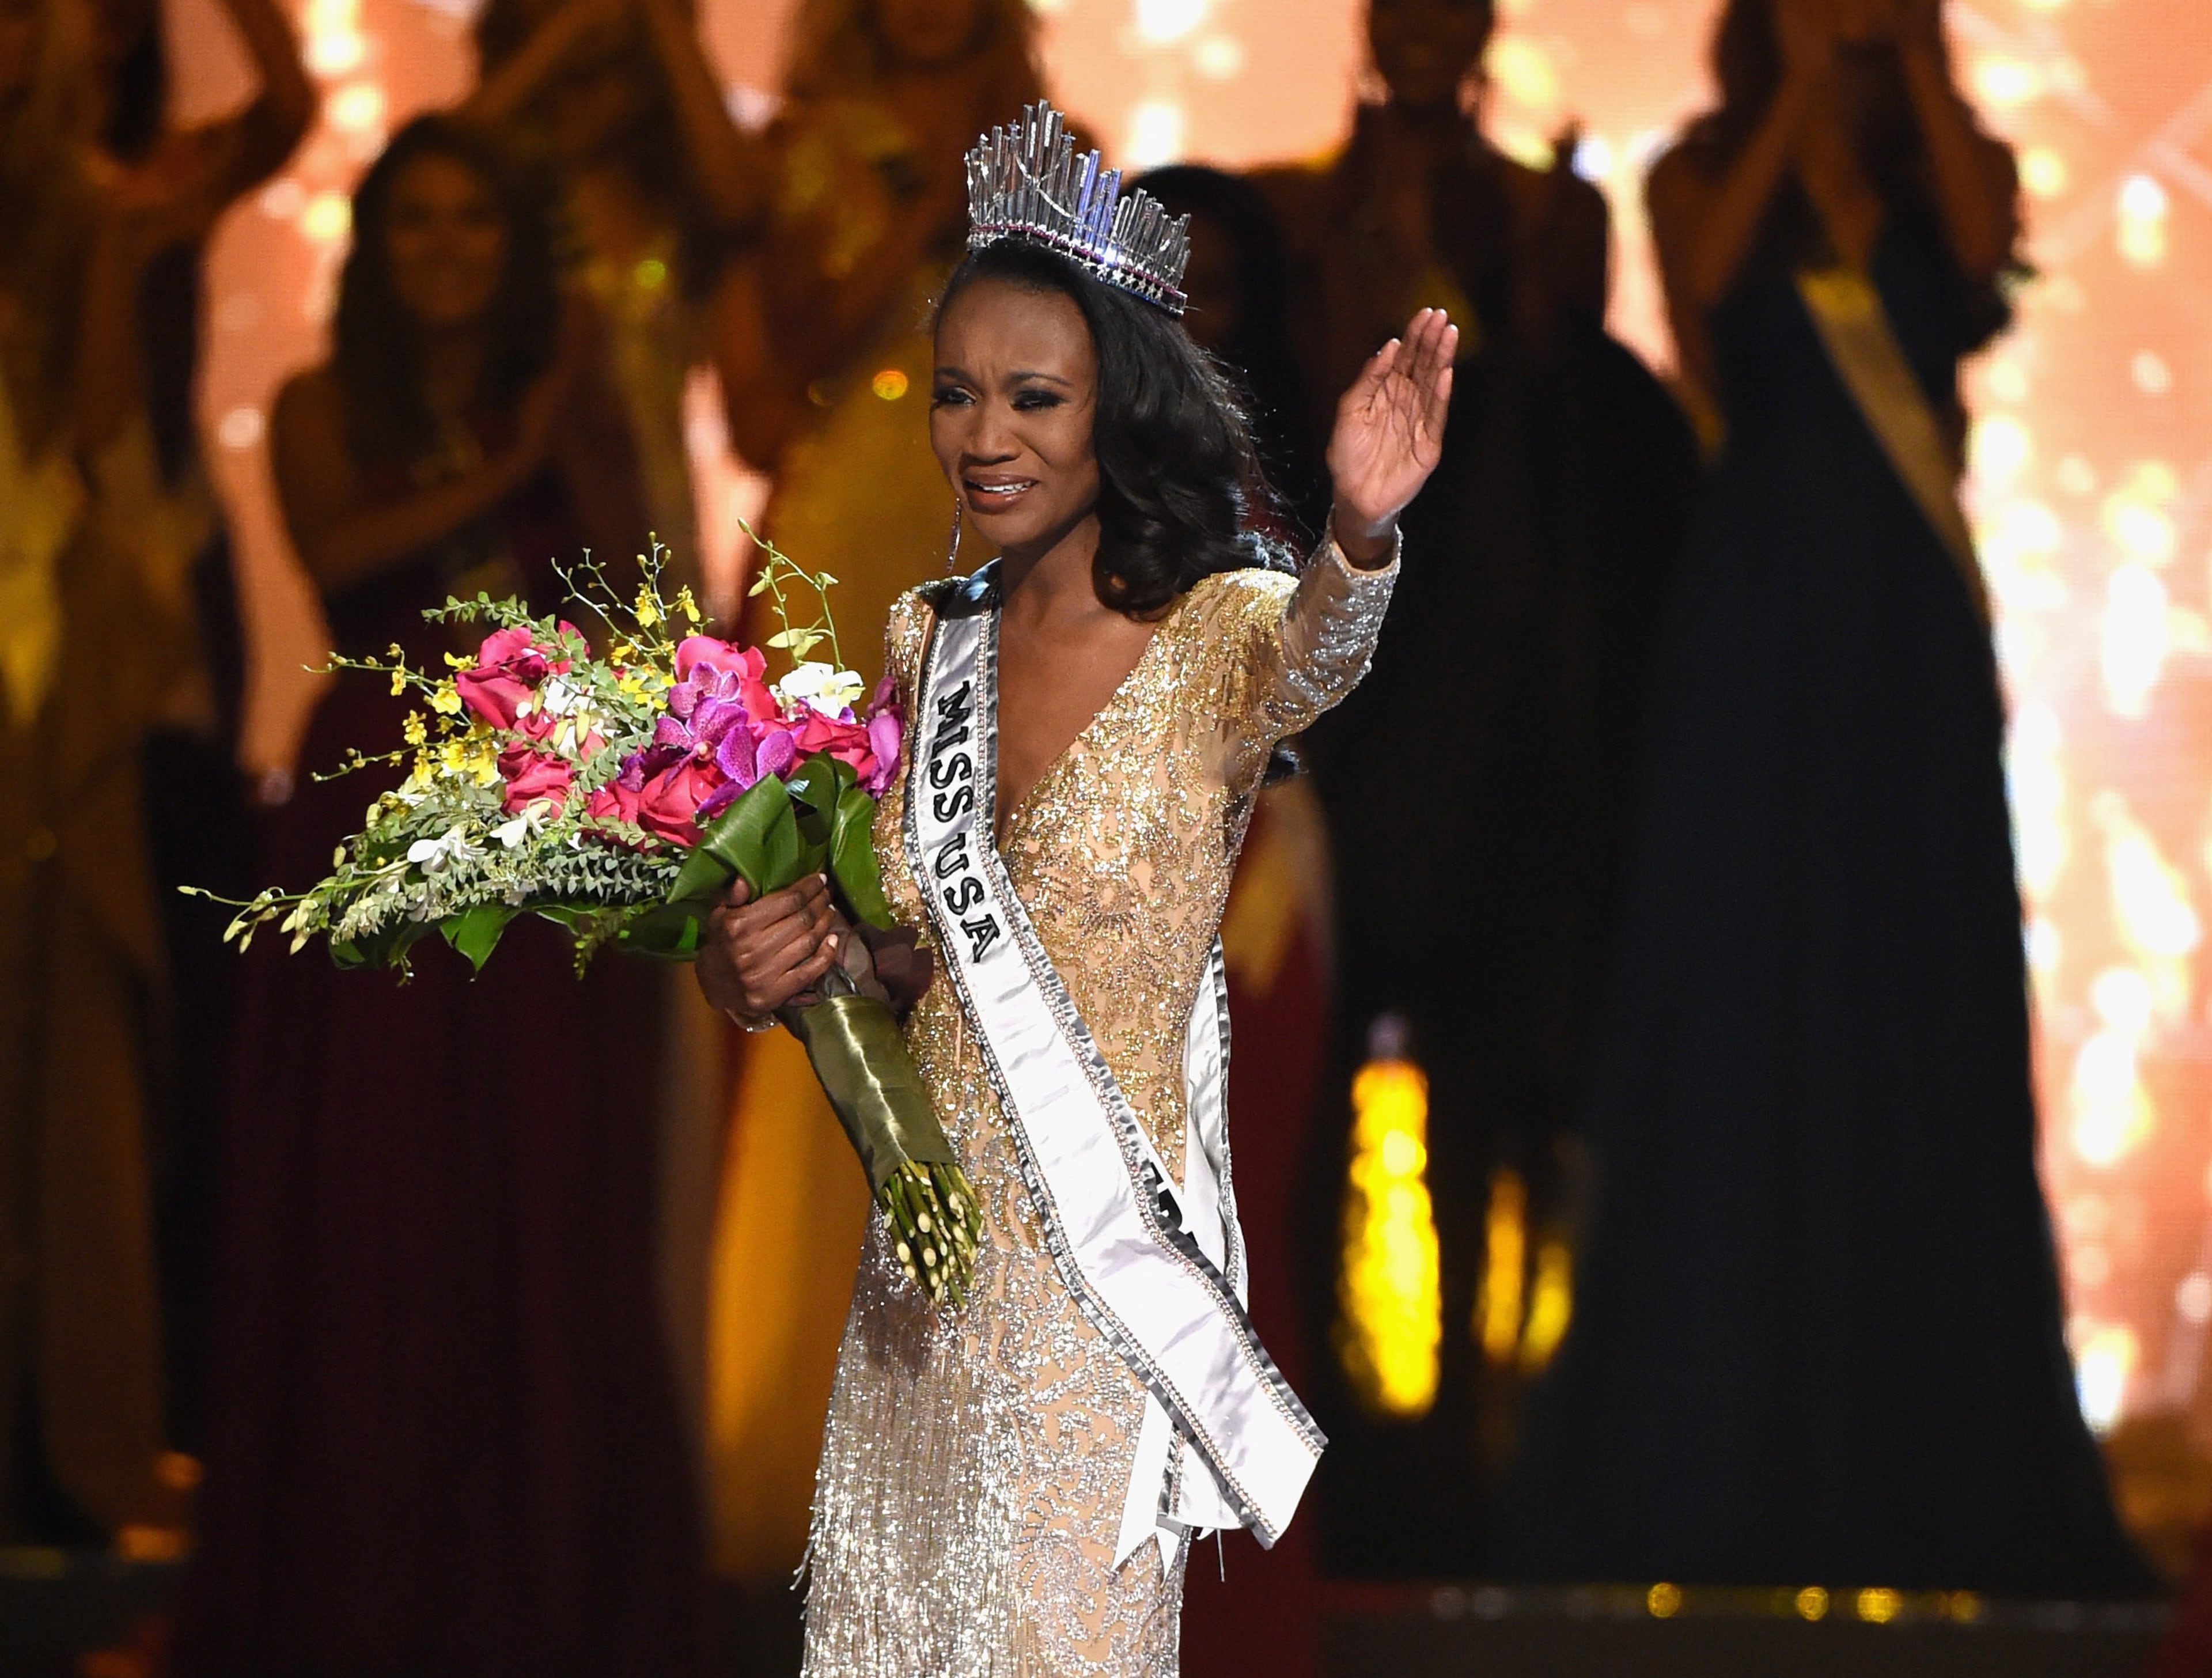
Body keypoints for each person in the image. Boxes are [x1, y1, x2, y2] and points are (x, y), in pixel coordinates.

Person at [695, 106, 1456, 1675]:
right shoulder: (929, 644)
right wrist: (776, 955)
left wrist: (1364, 530)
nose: (987, 435)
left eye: (1034, 396)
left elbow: (1315, 654)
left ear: (1126, 408)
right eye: (960, 393)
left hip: (1099, 1288)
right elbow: (908, 958)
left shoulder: (1217, 629)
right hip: (918, 1270)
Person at [1502, 0, 2152, 1594]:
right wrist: (1798, 93)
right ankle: (1705, 1440)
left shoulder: (1957, 168)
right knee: (1742, 996)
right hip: (1760, 617)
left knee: (1914, 996)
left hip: (1908, 625)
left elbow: (1990, 273)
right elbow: (1712, 301)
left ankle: (1945, 1440)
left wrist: (1913, 74)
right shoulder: (1709, 167)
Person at [173, 116, 708, 1675]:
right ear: (377, 251)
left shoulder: (573, 392)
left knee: (540, 1188)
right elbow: (341, 554)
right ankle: (355, 1580)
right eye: (419, 225)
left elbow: (638, 596)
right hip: (378, 814)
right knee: (377, 1192)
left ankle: (544, 1585)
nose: (449, 252)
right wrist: (518, 454)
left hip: (544, 819)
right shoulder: (323, 402)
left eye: (478, 223)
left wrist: (591, 441)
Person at [1257, 0, 1701, 1573]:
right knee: (1321, 1062)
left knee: (1501, 1082)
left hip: (1511, 706)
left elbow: (1563, 376)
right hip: (1360, 684)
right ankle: (1326, 1435)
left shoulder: (1549, 204)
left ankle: (1491, 1441)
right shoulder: (1309, 209)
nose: (1434, 29)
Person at [696, 0, 1046, 1597]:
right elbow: (762, 407)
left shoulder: (1062, 161)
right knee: (833, 936)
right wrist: (913, 227)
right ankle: (806, 1435)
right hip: (844, 555)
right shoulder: (799, 163)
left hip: (1008, 550)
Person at [0, 0, 231, 1544]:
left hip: (38, 615)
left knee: (70, 1059)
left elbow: (93, 433)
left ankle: (77, 1438)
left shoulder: (89, 201)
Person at [82, 0, 314, 1457]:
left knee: (158, 973)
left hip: (145, 591)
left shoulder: (158, 184)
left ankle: (143, 1381)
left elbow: (288, 106)